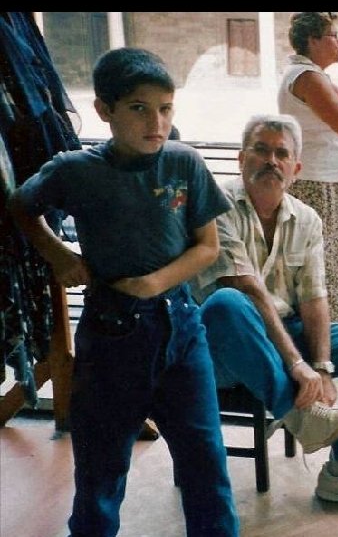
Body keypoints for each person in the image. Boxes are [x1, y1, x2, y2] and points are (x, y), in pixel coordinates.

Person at [8, 47, 239, 536]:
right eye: (138, 108)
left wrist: (152, 283)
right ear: (104, 110)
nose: (155, 121)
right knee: (101, 469)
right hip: (111, 336)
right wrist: (58, 254)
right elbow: (20, 206)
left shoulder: (183, 163)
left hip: (182, 333)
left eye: (165, 108)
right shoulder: (76, 170)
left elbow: (207, 247)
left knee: (205, 462)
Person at [190, 113, 338, 514]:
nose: (271, 160)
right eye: (260, 149)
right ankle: (303, 416)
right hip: (224, 347)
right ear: (241, 158)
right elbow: (245, 287)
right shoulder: (215, 206)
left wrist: (321, 365)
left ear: (296, 168)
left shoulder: (306, 218)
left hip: (282, 332)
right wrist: (297, 364)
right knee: (227, 303)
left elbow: (314, 298)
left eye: (281, 153)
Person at [277, 11, 338, 322]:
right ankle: (327, 336)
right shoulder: (308, 78)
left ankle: (330, 334)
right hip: (317, 183)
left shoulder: (313, 75)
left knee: (329, 261)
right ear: (313, 40)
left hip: (325, 180)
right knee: (322, 264)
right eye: (333, 36)